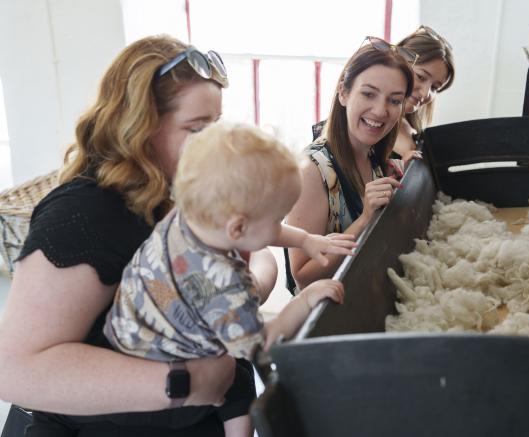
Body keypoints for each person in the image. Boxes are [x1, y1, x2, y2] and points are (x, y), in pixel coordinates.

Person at [0, 35, 253, 436]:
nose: (214, 145)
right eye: (196, 129)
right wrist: (186, 382)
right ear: (141, 127)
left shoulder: (178, 189)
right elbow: (15, 370)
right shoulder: (83, 214)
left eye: (215, 126)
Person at [103, 120, 346, 437]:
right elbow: (263, 344)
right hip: (162, 365)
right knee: (239, 378)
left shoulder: (188, 213)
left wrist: (304, 240)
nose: (279, 226)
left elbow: (259, 227)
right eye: (278, 219)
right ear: (237, 229)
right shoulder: (228, 287)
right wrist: (304, 300)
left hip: (127, 326)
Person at [286, 37, 415, 291]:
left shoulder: (374, 156)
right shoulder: (311, 170)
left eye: (394, 100)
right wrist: (365, 219)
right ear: (344, 93)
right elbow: (303, 277)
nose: (380, 111)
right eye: (368, 94)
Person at [393, 25, 455, 160]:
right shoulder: (368, 127)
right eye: (420, 76)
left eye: (434, 87)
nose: (425, 93)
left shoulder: (414, 130)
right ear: (397, 62)